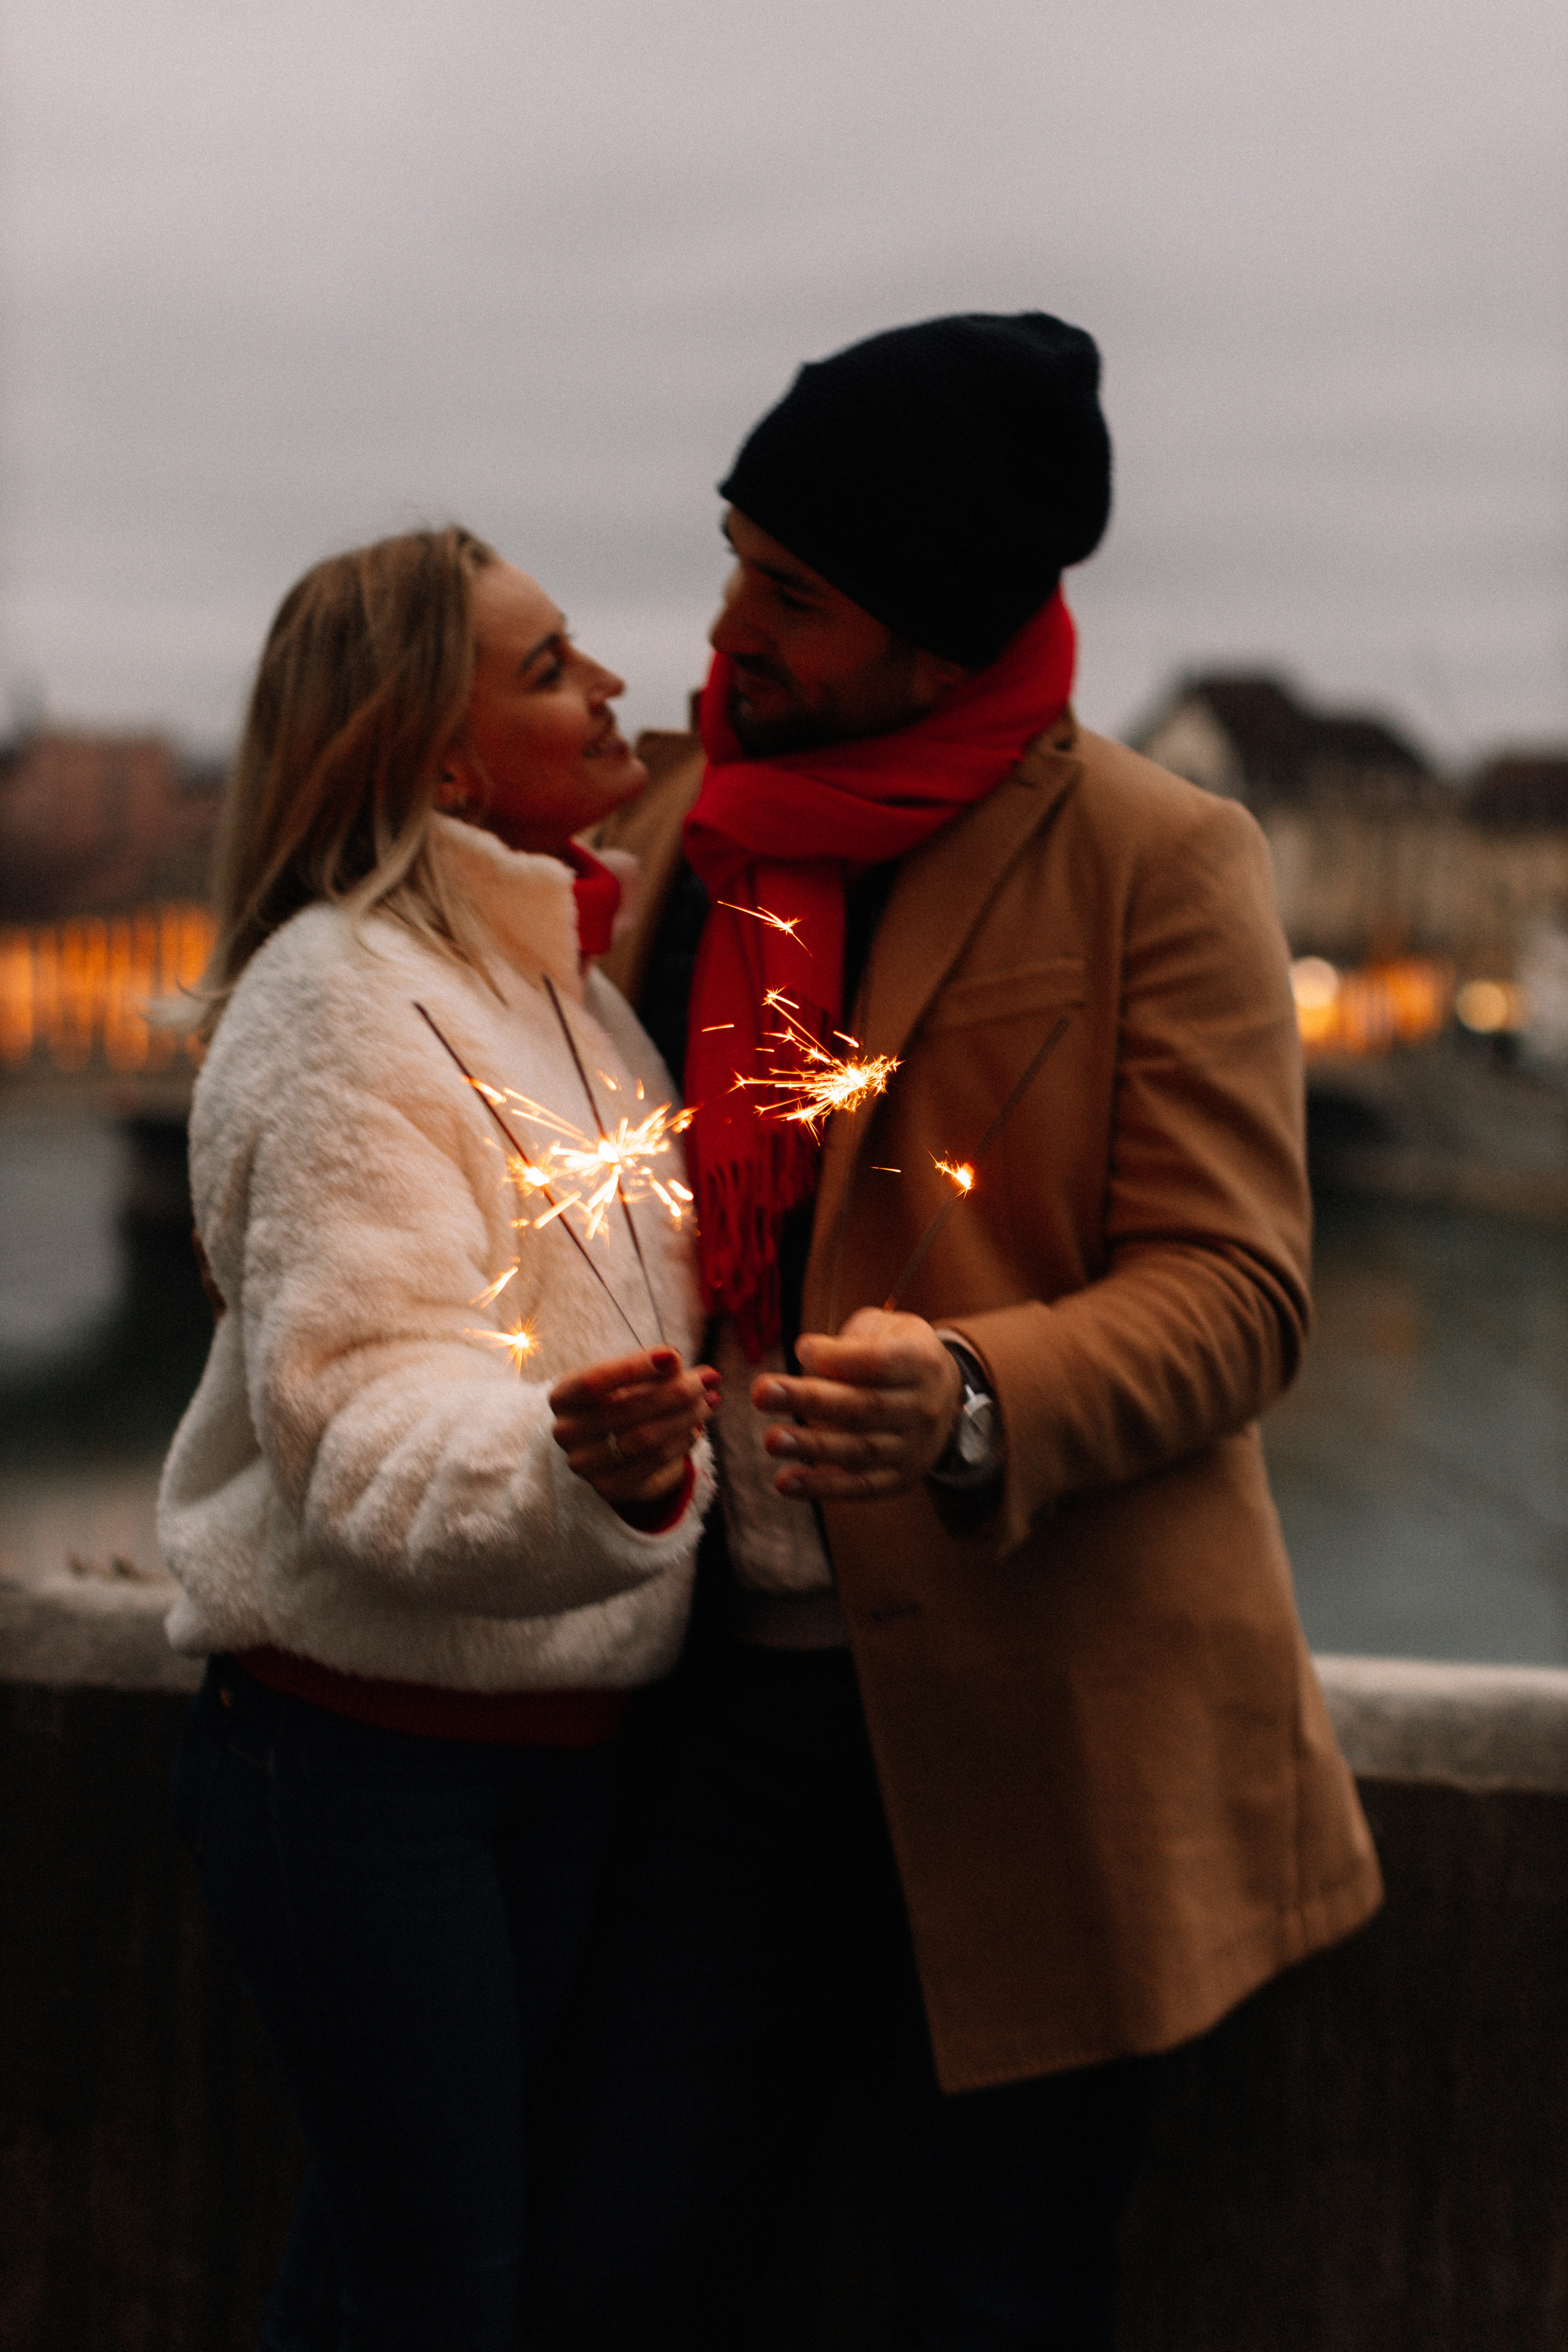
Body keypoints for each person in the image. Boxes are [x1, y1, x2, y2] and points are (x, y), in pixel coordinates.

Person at [526, 314, 1384, 2350]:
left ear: (940, 639)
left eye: (793, 595)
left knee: (997, 2301)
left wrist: (978, 1394)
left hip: (1034, 1738)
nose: (727, 629)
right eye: (735, 560)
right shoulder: (673, 829)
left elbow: (1244, 1289)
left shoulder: (1162, 857)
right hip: (711, 1719)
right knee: (607, 2280)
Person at [159, 524, 716, 2352]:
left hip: (552, 1743)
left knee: (397, 2276)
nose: (613, 686)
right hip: (365, 1768)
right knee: (440, 2296)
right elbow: (358, 1400)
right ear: (446, 764)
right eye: (550, 667)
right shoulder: (337, 1004)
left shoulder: (569, 992)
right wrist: (576, 1472)